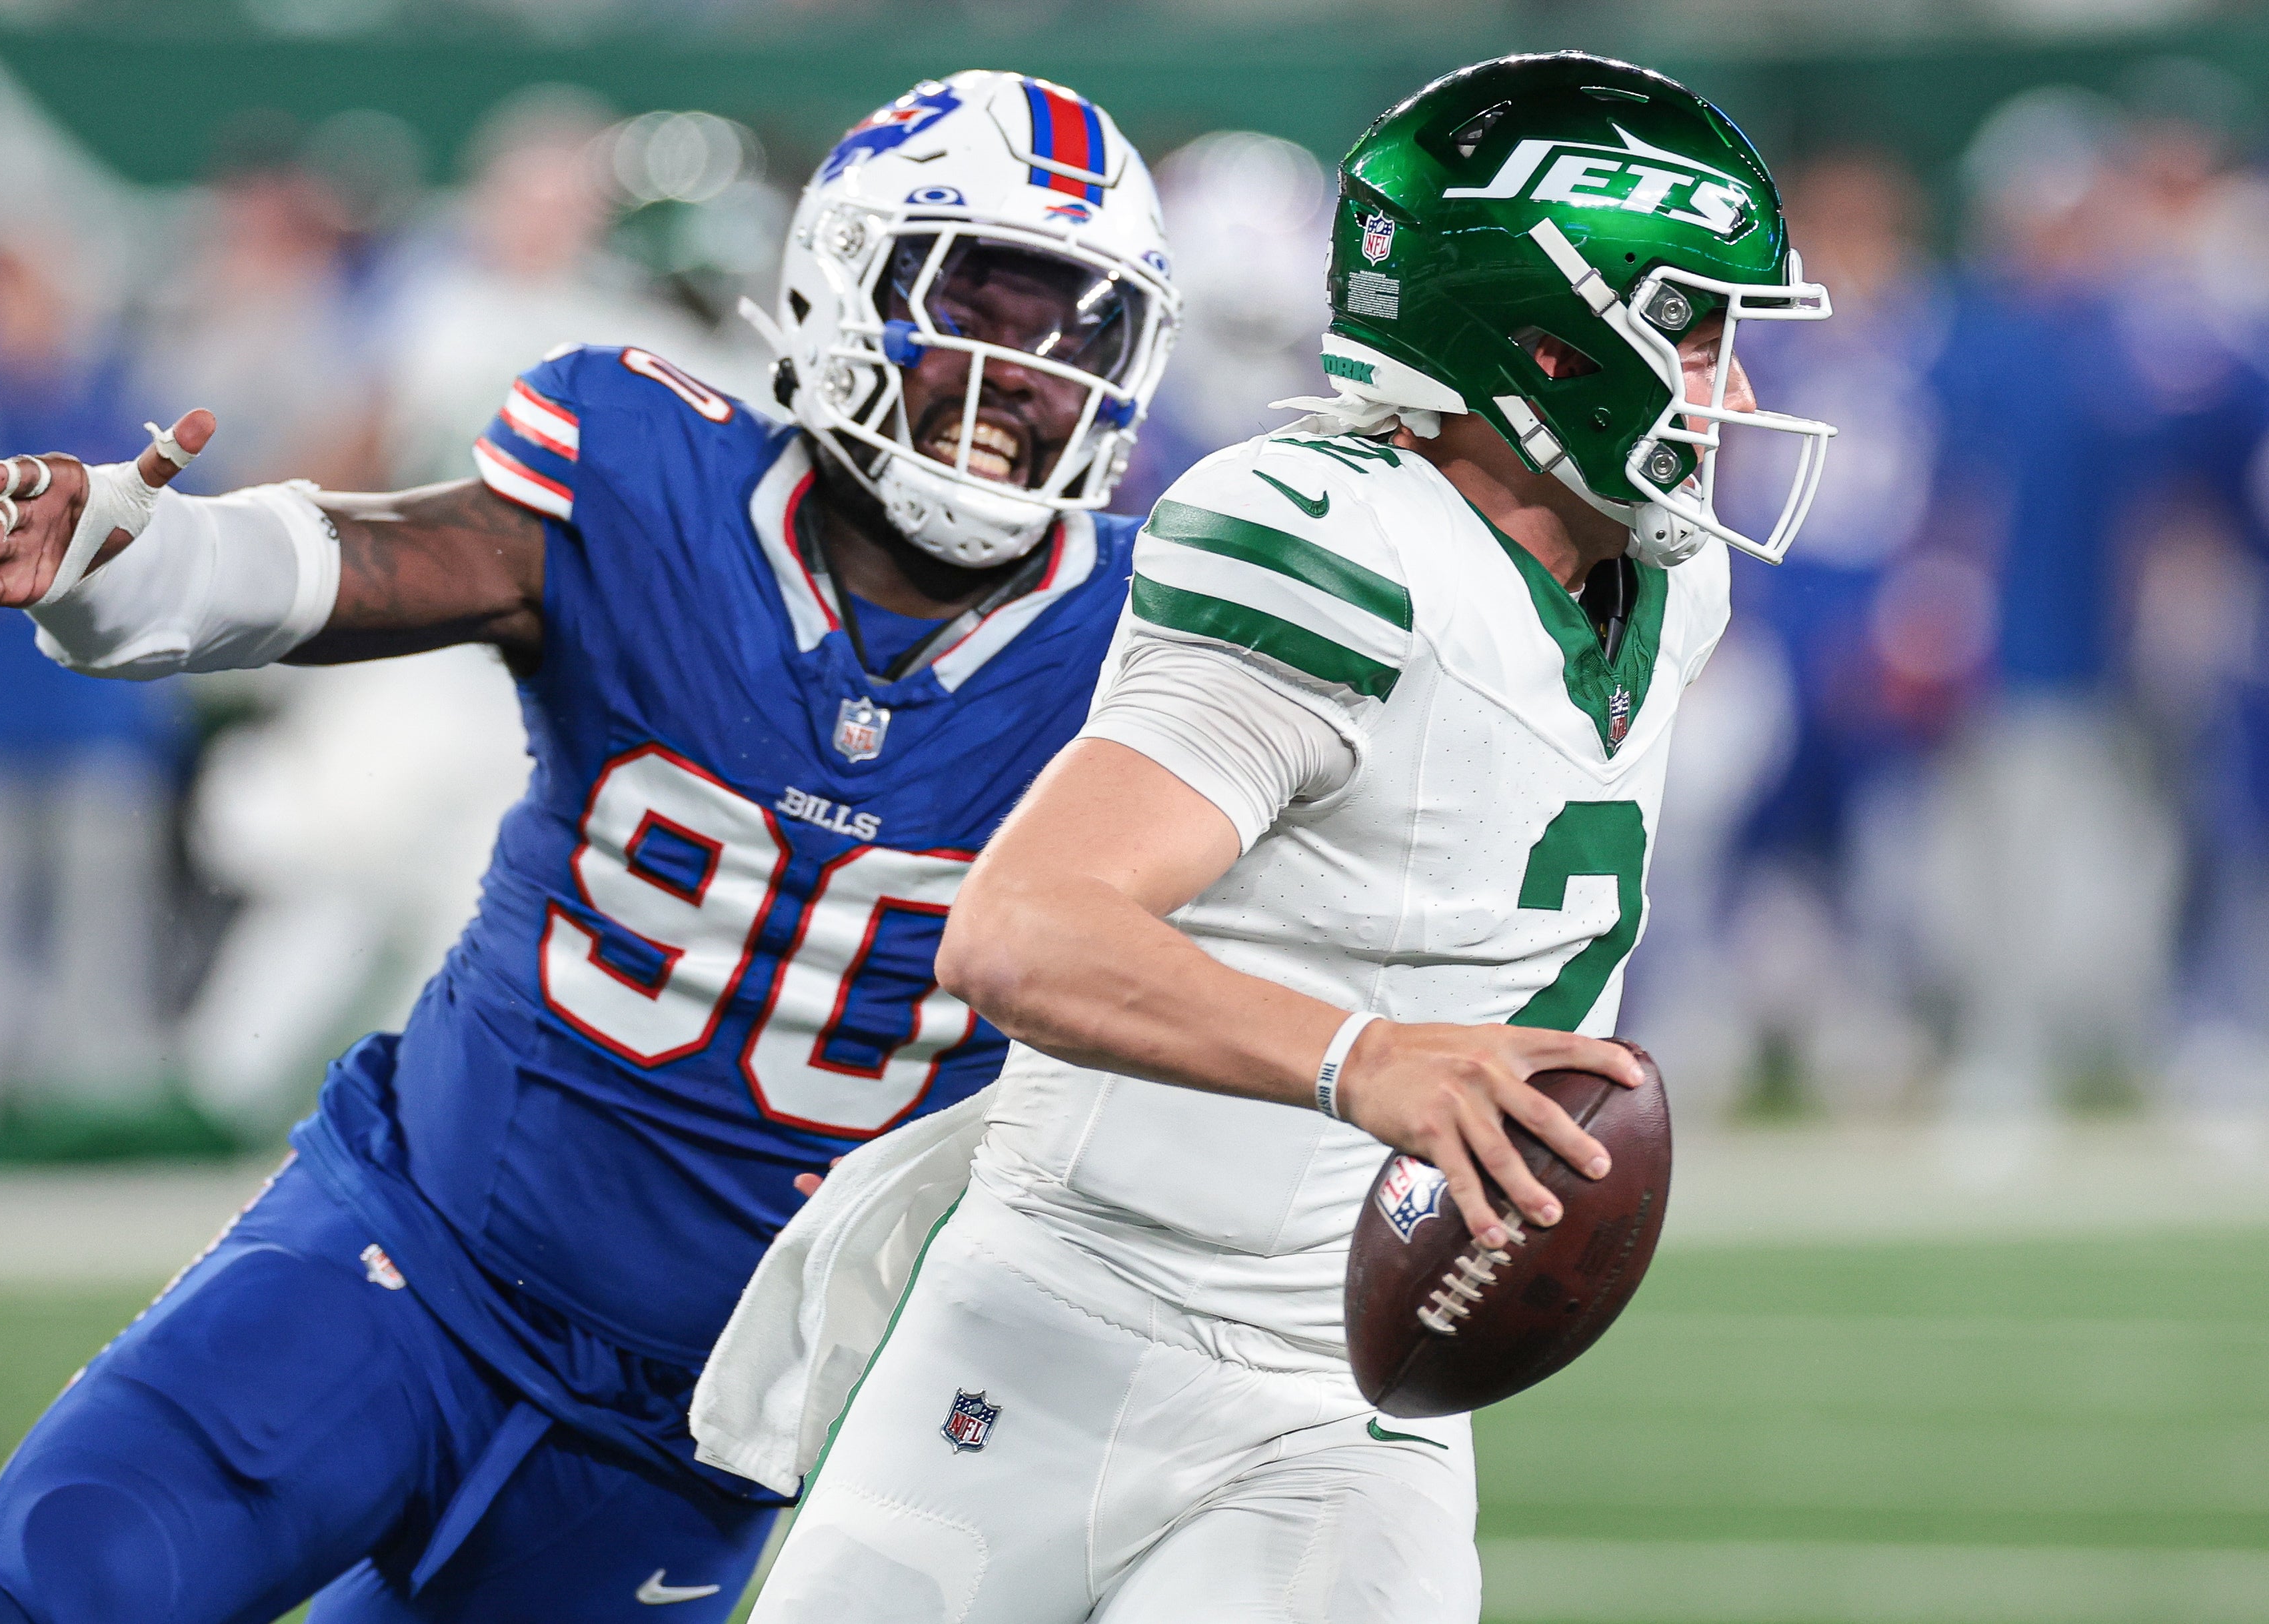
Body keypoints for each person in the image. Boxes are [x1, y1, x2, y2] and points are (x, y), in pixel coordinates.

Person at [0, 70, 1176, 1624]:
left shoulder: (1151, 647)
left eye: (1073, 328)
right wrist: (134, 558)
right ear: (850, 279)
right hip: (400, 1272)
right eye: (978, 297)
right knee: (42, 1601)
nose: (1013, 368)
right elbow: (369, 557)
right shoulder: (655, 475)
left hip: (693, 1427)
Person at [749, 53, 1837, 1623]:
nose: (1730, 389)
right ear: (1540, 337)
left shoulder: (1674, 584)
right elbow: (1023, 927)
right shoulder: (1335, 543)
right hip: (1069, 1325)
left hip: (1355, 1387)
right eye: (1693, 329)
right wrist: (1364, 1057)